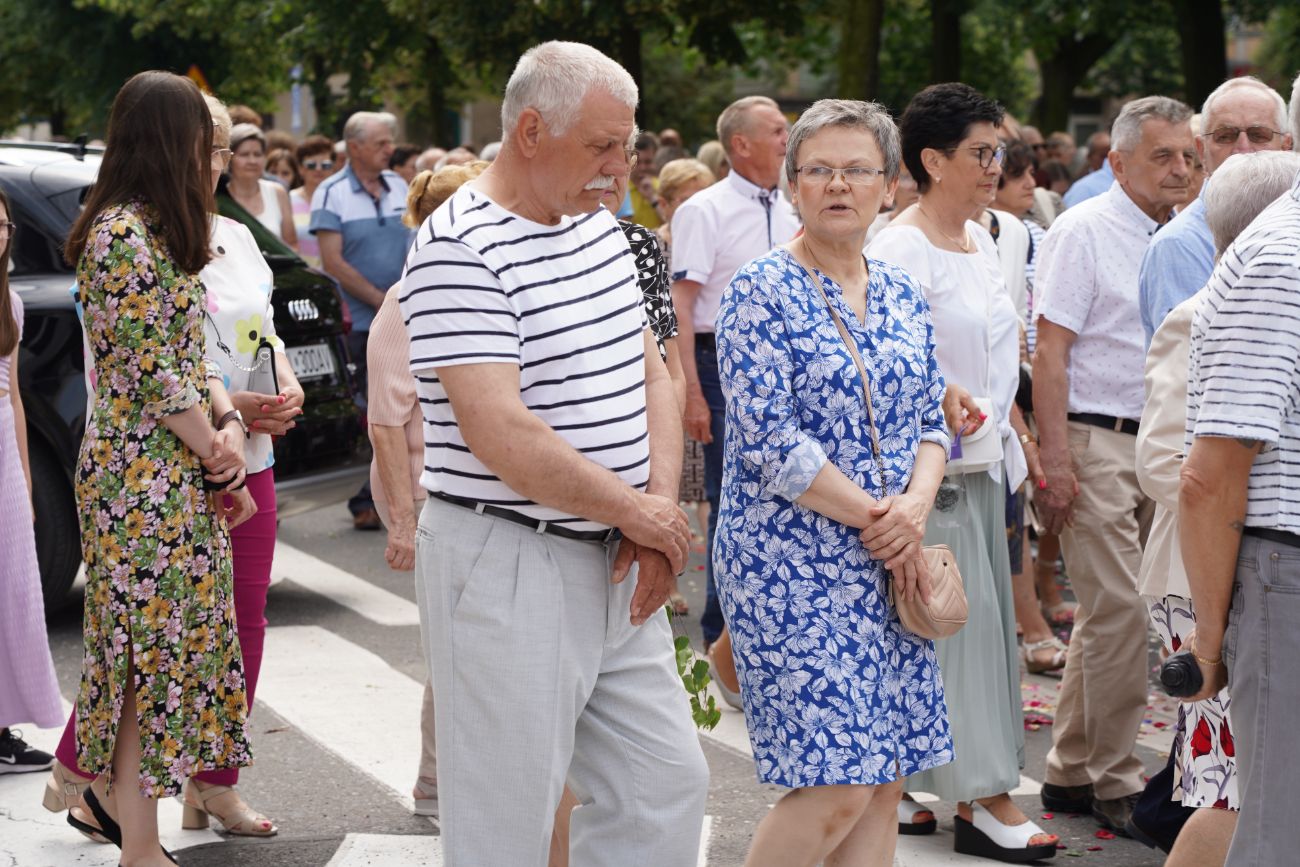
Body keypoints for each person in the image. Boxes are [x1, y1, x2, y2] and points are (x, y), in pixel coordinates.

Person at [397, 41, 707, 865]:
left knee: (663, 786)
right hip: (507, 558)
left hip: (611, 548)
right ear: (530, 130)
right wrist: (638, 512)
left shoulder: (601, 228)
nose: (620, 165)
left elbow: (652, 375)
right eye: (603, 145)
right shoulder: (458, 247)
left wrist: (654, 515)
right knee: (507, 821)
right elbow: (502, 434)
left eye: (628, 144)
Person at [47, 89, 298, 844]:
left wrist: (223, 424)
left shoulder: (160, 231)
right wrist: (217, 447)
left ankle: (148, 828)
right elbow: (153, 371)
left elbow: (197, 358)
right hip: (136, 470)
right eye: (203, 142)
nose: (211, 158)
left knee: (173, 649)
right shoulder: (121, 233)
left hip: (175, 464)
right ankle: (137, 839)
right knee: (137, 651)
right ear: (164, 141)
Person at [715, 98, 953, 867]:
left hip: (890, 557)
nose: (837, 185)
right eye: (818, 169)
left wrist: (913, 508)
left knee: (884, 778)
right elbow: (769, 440)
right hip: (788, 562)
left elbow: (930, 420)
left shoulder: (901, 290)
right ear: (791, 185)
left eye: (857, 170)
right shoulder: (760, 288)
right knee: (836, 781)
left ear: (891, 186)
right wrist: (882, 519)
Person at [870, 83, 1056, 863]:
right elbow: (882, 369)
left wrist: (1012, 423)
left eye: (1001, 150)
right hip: (928, 470)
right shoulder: (896, 249)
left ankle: (927, 780)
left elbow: (1000, 353)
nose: (998, 164)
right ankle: (982, 796)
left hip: (988, 464)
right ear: (931, 161)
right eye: (983, 152)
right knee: (950, 630)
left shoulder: (990, 238)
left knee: (963, 632)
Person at [1031, 95, 1194, 835]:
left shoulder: (1187, 234)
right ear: (1117, 160)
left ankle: (1068, 768)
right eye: (1163, 155)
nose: (1181, 168)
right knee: (1125, 612)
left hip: (1158, 443)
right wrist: (1055, 458)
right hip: (1095, 440)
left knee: (1108, 617)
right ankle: (1116, 779)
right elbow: (1051, 351)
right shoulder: (1082, 229)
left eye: (1188, 156)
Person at [1137, 150, 1300, 867]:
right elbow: (1196, 471)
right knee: (1251, 807)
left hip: (1254, 561)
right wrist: (1207, 640)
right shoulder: (1271, 267)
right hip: (1250, 564)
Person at [367, 161, 488, 823]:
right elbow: (386, 420)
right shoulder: (404, 301)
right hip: (435, 499)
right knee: (454, 649)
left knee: (475, 645)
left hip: (477, 495)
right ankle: (437, 783)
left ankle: (446, 780)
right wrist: (404, 522)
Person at [670, 95, 799, 653]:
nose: (787, 139)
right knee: (734, 501)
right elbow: (680, 306)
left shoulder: (797, 205)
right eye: (777, 130)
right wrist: (692, 394)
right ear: (740, 144)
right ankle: (723, 637)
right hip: (720, 363)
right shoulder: (704, 209)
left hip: (793, 365)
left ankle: (780, 630)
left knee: (796, 493)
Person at [310, 111, 413, 531]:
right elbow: (332, 261)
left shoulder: (400, 186)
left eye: (390, 142)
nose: (391, 150)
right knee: (373, 413)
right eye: (381, 144)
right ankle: (367, 496)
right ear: (354, 148)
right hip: (362, 322)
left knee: (402, 411)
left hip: (404, 317)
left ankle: (383, 495)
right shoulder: (331, 193)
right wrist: (383, 300)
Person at [1138, 76, 1291, 346]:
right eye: (1225, 136)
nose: (1243, 149)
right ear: (1201, 150)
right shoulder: (1179, 245)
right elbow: (1190, 361)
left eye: (1258, 135)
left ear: (1287, 146)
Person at [0, 186, 64, 773]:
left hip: (1, 453)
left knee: (13, 594)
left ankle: (2, 728)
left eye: (2, 225)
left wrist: (22, 480)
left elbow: (14, 397)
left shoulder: (11, 304)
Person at [227, 123, 297, 246]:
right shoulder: (220, 196)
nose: (252, 161)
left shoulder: (277, 192)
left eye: (257, 154)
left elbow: (291, 245)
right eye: (244, 154)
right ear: (229, 158)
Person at [290, 134, 334, 269]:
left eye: (325, 165)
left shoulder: (339, 201)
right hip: (301, 278)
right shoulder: (287, 200)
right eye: (311, 165)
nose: (319, 169)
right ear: (301, 169)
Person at [1063, 131, 1114, 207]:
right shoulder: (1082, 187)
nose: (1109, 160)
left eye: (1113, 155)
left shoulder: (1123, 181)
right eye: (1104, 156)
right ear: (1089, 157)